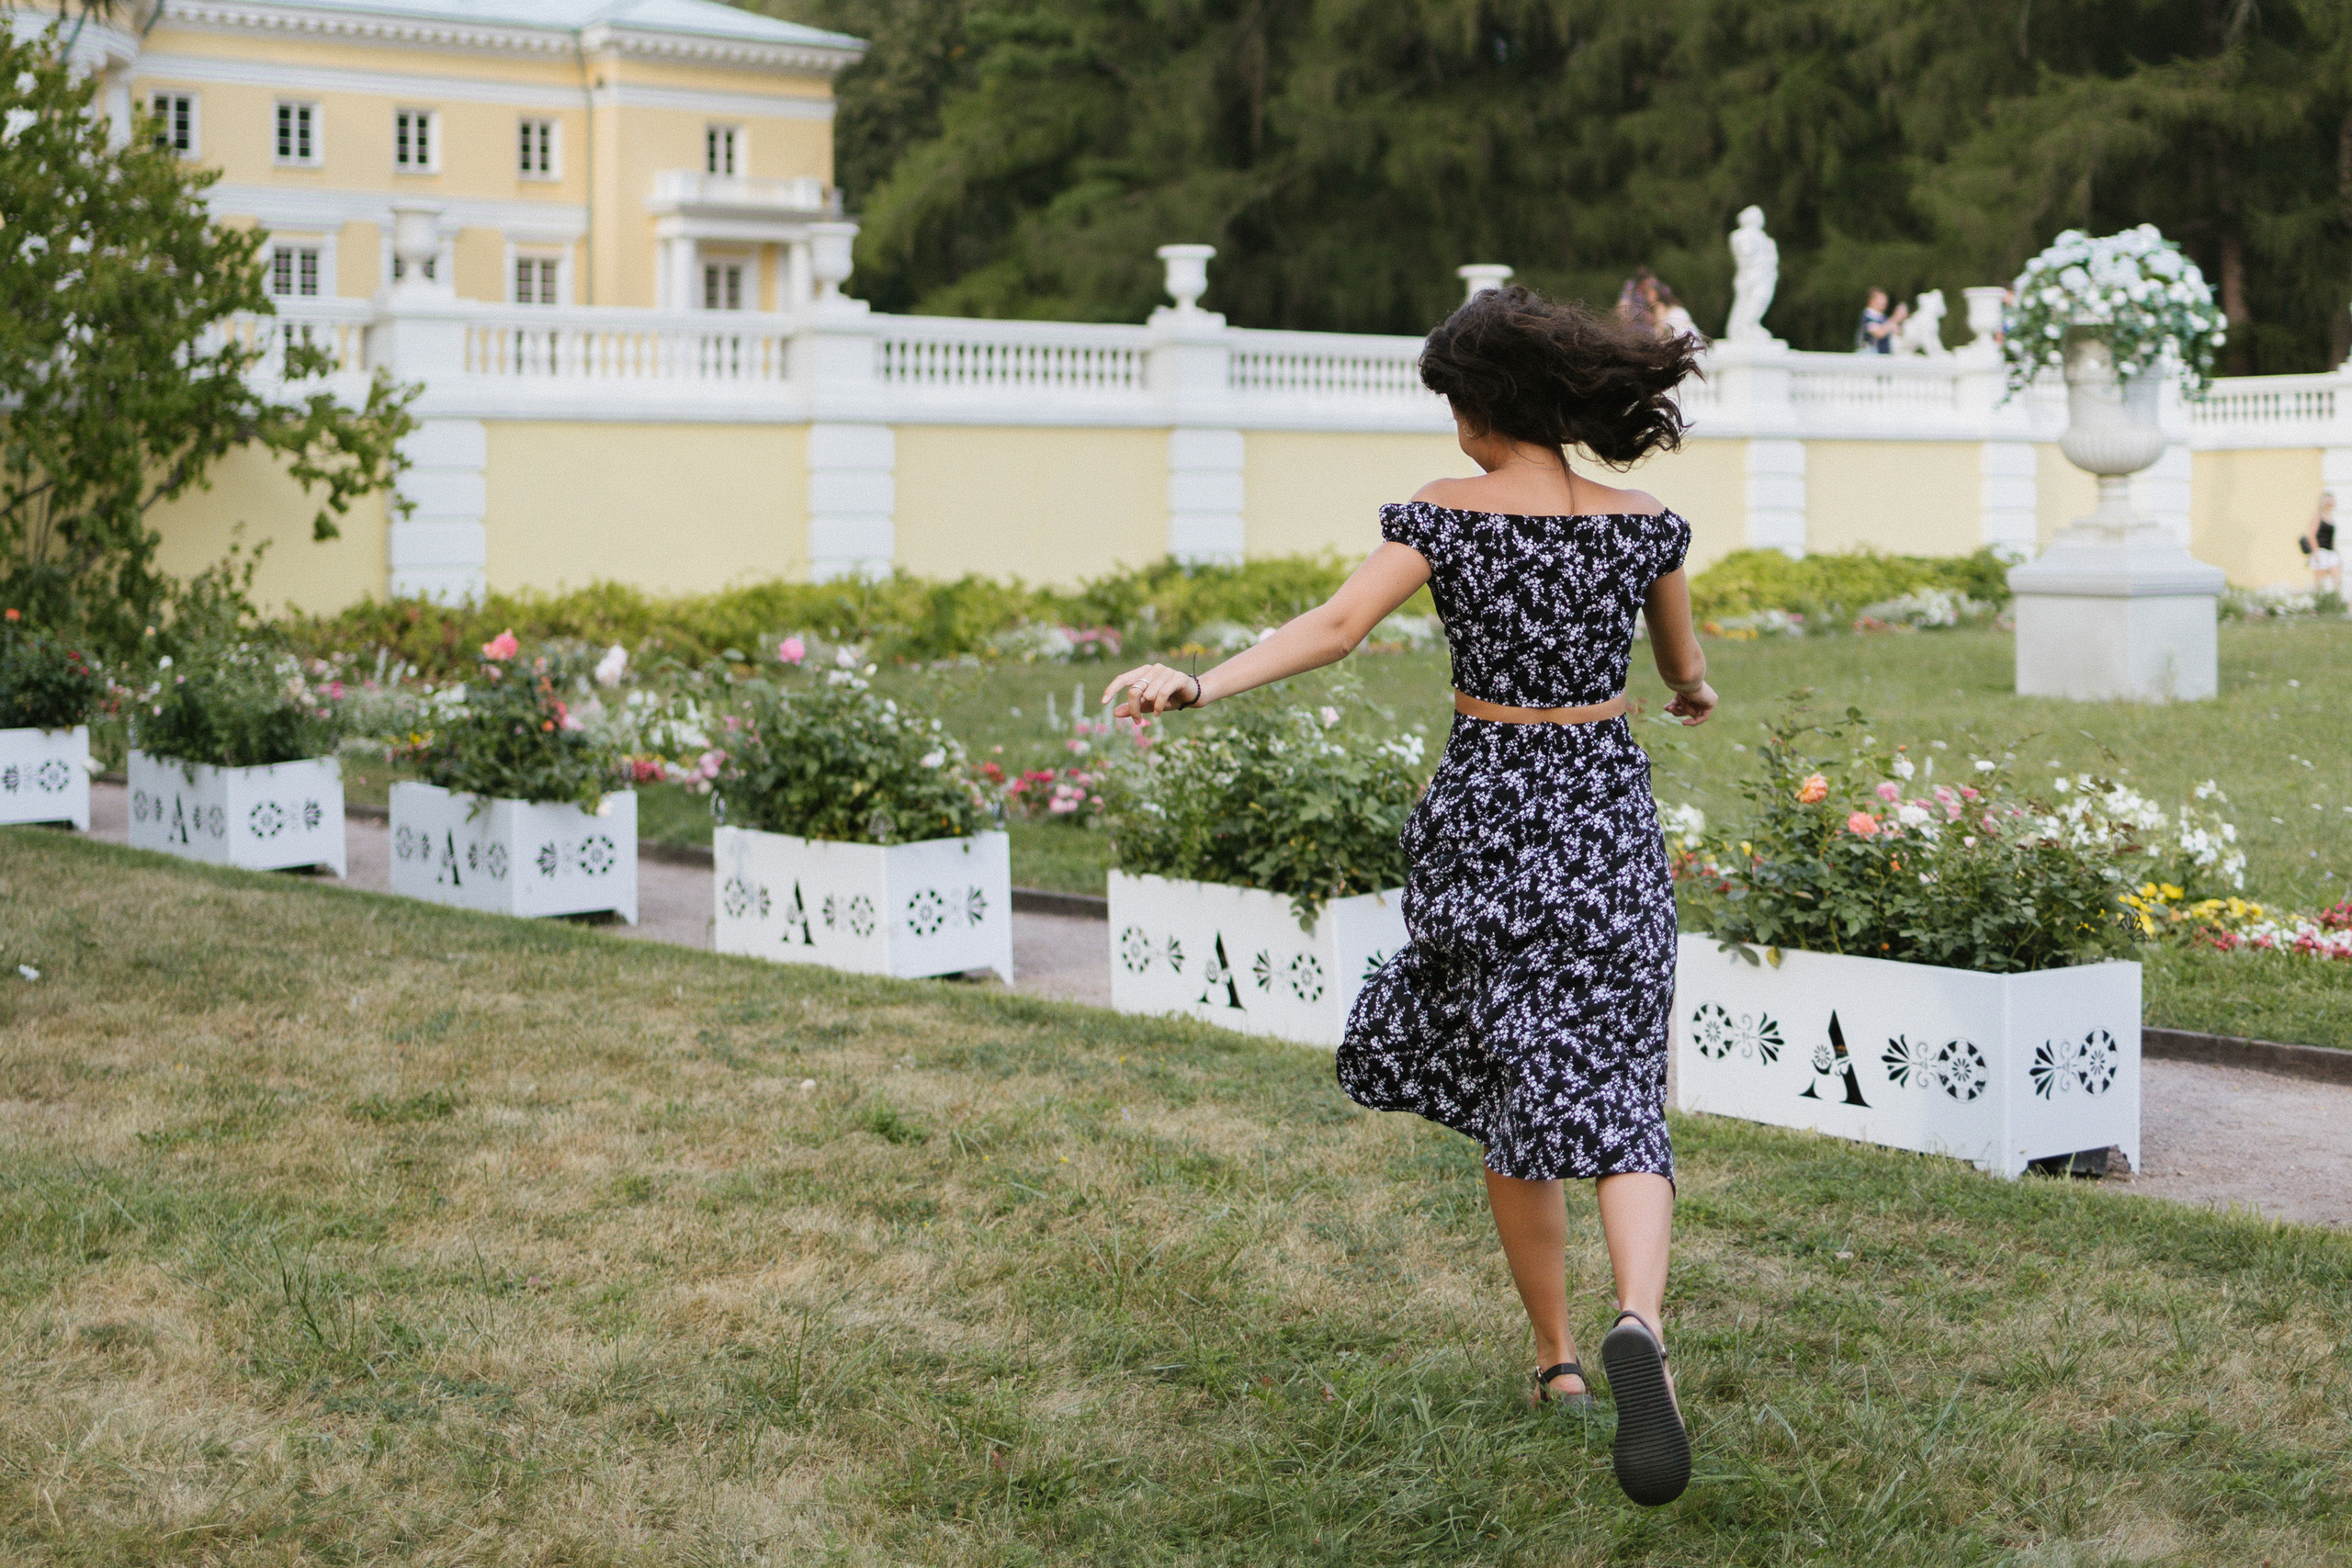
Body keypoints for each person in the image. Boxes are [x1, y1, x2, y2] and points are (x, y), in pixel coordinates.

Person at [1102, 286, 1717, 1508]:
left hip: (1487, 814)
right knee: (1620, 1090)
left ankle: (1555, 1360)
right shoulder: (1644, 524)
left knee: (1510, 1083)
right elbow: (1683, 664)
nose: (1453, 429)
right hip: (1603, 810)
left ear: (1488, 405)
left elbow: (1335, 627)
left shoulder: (1448, 517)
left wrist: (1199, 684)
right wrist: (1692, 691)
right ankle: (1636, 1318)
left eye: (1455, 405)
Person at [2304, 491, 2343, 598]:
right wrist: (2316, 552)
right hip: (2321, 551)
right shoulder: (2318, 517)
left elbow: (2332, 538)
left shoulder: (2330, 518)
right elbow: (2311, 535)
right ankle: (2318, 603)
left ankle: (2336, 601)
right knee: (2320, 581)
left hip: (2330, 552)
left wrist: (2337, 554)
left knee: (2337, 579)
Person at [1856, 288, 1905, 354]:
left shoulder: (1883, 318)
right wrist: (1895, 318)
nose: (1884, 302)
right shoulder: (1867, 316)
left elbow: (1898, 332)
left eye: (1885, 300)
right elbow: (1879, 333)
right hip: (1868, 355)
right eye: (1881, 299)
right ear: (1871, 301)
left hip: (1883, 356)